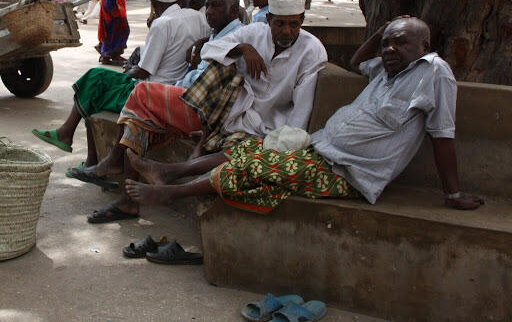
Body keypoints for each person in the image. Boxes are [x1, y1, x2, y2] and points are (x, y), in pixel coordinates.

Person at [123, 17, 484, 215]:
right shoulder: (389, 70)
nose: (390, 49)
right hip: (323, 150)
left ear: (424, 47)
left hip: (350, 172)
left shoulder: (433, 72)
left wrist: (452, 194)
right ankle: (171, 171)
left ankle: (172, 193)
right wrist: (378, 35)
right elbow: (359, 63)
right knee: (246, 150)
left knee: (253, 168)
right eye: (387, 42)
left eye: (400, 42)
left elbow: (442, 133)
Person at [81, 0, 327, 222]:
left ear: (302, 21)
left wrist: (284, 145)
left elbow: (301, 112)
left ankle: (137, 176)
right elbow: (210, 49)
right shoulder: (254, 33)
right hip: (226, 112)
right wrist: (242, 48)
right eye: (280, 24)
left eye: (294, 24)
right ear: (269, 19)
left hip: (268, 127)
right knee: (143, 106)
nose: (287, 31)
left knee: (142, 100)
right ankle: (129, 189)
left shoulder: (311, 51)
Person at [31, 0, 210, 168]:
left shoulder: (162, 24)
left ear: (153, 2)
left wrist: (129, 70)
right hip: (175, 89)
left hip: (153, 92)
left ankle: (71, 138)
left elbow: (143, 71)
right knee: (96, 80)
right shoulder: (199, 18)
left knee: (95, 82)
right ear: (178, 0)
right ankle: (76, 143)